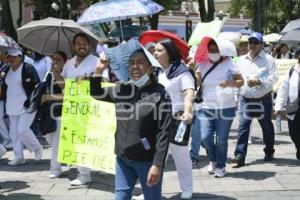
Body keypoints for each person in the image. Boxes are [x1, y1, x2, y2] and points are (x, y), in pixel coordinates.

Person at [89, 48, 171, 200]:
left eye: (141, 62)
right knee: (120, 197)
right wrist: (99, 71)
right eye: (132, 63)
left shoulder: (160, 94)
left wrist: (157, 165)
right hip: (123, 158)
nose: (135, 66)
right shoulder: (122, 88)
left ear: (150, 67)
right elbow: (96, 93)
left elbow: (164, 132)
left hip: (147, 161)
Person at [51, 32, 109, 186]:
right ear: (74, 46)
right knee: (76, 140)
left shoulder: (96, 61)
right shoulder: (69, 64)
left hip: (90, 108)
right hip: (72, 108)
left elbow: (105, 81)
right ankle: (83, 171)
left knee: (86, 141)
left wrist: (86, 79)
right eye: (79, 43)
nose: (82, 46)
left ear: (89, 46)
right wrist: (56, 72)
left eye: (85, 43)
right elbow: (64, 86)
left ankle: (84, 174)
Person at [196, 38, 244, 177]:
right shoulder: (202, 64)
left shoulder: (229, 63)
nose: (213, 52)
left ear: (221, 51)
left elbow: (241, 82)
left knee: (222, 139)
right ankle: (213, 159)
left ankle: (221, 166)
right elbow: (197, 81)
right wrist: (192, 69)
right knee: (205, 137)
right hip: (206, 105)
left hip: (226, 106)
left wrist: (230, 83)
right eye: (210, 50)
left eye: (216, 50)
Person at [154, 38, 194, 199]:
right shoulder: (156, 71)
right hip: (157, 121)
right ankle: (151, 191)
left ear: (169, 53)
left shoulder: (182, 71)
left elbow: (189, 92)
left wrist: (188, 111)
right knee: (156, 159)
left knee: (181, 157)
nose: (155, 53)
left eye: (159, 50)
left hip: (177, 121)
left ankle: (187, 188)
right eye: (154, 50)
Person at [231, 32, 278, 167]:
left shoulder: (268, 59)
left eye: (255, 43)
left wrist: (259, 81)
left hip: (263, 100)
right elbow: (237, 79)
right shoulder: (241, 60)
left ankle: (269, 150)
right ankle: (240, 155)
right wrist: (235, 96)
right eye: (250, 42)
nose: (252, 45)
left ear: (262, 45)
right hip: (245, 100)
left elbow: (274, 77)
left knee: (266, 127)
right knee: (243, 127)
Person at [0, 48, 42, 166]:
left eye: (14, 56)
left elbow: (37, 86)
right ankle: (18, 156)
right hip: (11, 105)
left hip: (27, 105)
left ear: (20, 57)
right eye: (9, 56)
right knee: (14, 133)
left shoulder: (28, 68)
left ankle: (37, 147)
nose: (11, 59)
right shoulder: (6, 69)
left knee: (22, 129)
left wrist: (35, 101)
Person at [40, 51, 67, 178]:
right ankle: (64, 157)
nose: (55, 62)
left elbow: (66, 92)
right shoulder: (48, 74)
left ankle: (55, 169)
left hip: (61, 112)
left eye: (58, 59)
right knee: (50, 139)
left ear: (64, 62)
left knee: (56, 142)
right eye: (53, 59)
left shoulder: (66, 75)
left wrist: (49, 97)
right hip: (48, 112)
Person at [275, 53, 300, 160]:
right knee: (293, 132)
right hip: (293, 105)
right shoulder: (292, 70)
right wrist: (279, 107)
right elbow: (283, 89)